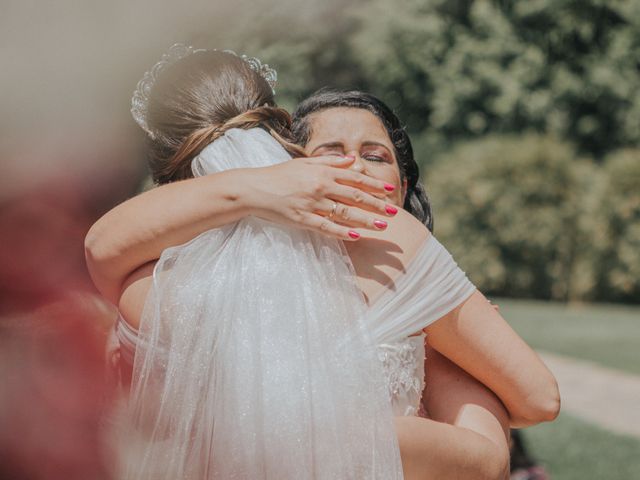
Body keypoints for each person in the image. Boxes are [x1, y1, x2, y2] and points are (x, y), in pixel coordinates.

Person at [85, 46, 559, 479]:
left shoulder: (141, 282)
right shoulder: (392, 240)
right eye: (330, 154)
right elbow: (531, 406)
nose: (351, 169)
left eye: (374, 156)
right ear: (287, 151)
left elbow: (102, 246)